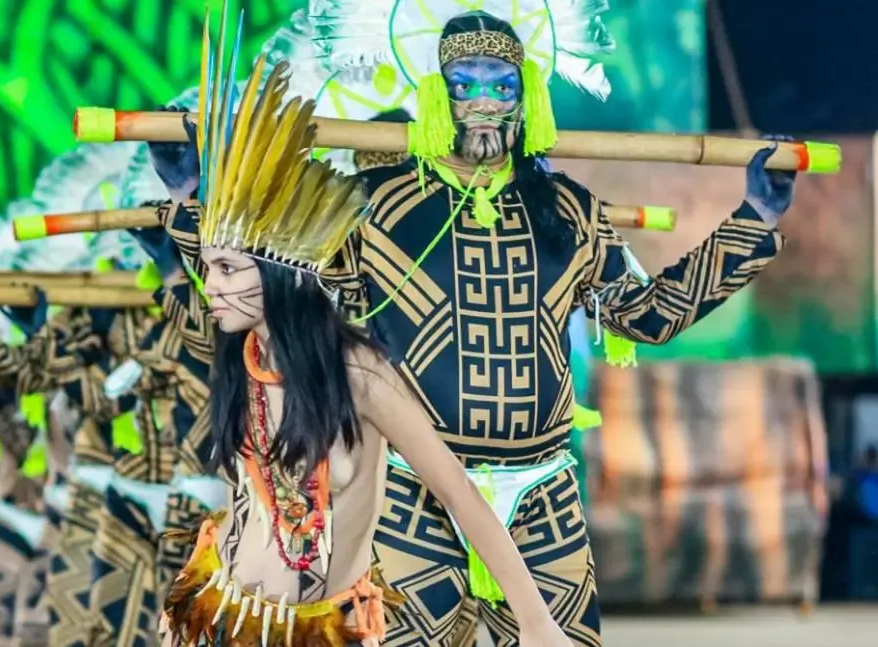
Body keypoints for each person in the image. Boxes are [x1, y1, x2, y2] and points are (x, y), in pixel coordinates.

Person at [148, 9, 798, 645]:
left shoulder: (570, 209)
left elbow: (643, 314)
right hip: (412, 493)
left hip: (543, 489)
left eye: (501, 83)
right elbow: (276, 274)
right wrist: (192, 199)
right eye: (465, 84)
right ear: (438, 94)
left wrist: (754, 219)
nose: (483, 100)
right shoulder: (379, 205)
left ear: (526, 95)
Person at [157, 47, 568, 647]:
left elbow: (458, 493)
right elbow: (245, 500)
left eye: (225, 269)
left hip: (325, 631)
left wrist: (536, 623)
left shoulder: (360, 374)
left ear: (279, 274)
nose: (211, 285)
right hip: (224, 618)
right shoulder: (244, 359)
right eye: (206, 268)